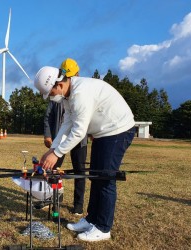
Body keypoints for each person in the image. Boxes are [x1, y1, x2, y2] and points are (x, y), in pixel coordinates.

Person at [33, 66, 135, 242]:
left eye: (50, 93)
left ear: (59, 84)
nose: (50, 97)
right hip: (103, 133)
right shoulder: (68, 96)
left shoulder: (80, 93)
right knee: (96, 177)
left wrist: (57, 154)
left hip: (117, 131)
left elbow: (79, 132)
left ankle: (103, 228)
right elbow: (67, 124)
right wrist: (52, 149)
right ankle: (91, 220)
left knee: (105, 179)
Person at [43, 58, 87, 216]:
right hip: (59, 139)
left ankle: (78, 205)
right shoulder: (56, 95)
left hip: (79, 140)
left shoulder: (80, 94)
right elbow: (48, 117)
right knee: (53, 170)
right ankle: (53, 200)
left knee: (79, 171)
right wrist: (48, 136)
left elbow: (82, 122)